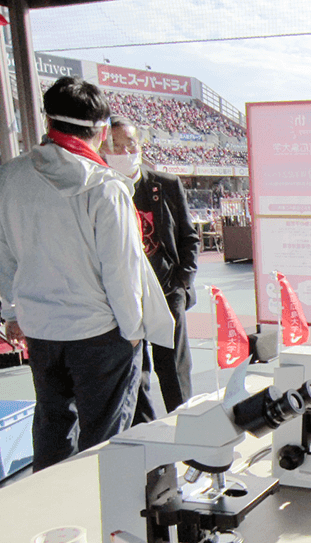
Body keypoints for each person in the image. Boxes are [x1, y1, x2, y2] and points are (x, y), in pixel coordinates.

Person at [0, 76, 173, 471]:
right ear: (101, 130)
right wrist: (133, 332)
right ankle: (98, 514)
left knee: (53, 427)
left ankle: (52, 516)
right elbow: (121, 272)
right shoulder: (105, 186)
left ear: (48, 122)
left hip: (41, 329)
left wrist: (12, 313)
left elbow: (4, 257)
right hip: (98, 332)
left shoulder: (7, 178)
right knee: (105, 439)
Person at [100, 117, 200, 424]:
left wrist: (182, 283)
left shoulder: (165, 184)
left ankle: (186, 428)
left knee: (173, 367)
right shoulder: (100, 188)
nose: (125, 150)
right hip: (122, 296)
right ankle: (144, 431)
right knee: (133, 369)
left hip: (167, 290)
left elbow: (189, 237)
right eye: (117, 145)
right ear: (103, 147)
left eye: (131, 143)